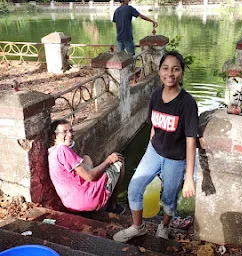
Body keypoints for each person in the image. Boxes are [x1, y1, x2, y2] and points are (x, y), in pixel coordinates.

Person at [113, 51, 199, 242]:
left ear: (182, 73)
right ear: (159, 71)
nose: (170, 73)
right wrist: (148, 152)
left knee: (169, 198)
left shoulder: (187, 103)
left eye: (176, 69)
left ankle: (164, 226)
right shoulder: (155, 95)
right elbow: (154, 125)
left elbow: (191, 140)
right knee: (134, 187)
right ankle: (138, 227)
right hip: (154, 151)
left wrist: (189, 178)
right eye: (165, 68)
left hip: (175, 159)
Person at [48, 119, 125, 214]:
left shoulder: (51, 152)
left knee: (86, 158)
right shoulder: (63, 150)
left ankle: (98, 189)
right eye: (64, 132)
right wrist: (108, 160)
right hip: (85, 201)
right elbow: (89, 176)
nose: (70, 135)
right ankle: (112, 207)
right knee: (119, 162)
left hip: (70, 202)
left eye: (71, 131)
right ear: (54, 136)